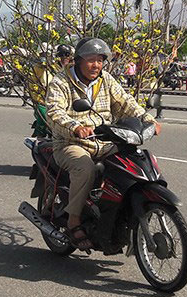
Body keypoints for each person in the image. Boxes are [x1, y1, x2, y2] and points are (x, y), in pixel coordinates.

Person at [45, 37, 161, 250]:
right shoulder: (60, 82)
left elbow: (125, 102)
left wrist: (148, 119)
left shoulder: (105, 79)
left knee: (131, 164)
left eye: (99, 60)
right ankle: (73, 221)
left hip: (105, 140)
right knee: (85, 168)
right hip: (71, 142)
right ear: (78, 60)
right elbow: (54, 112)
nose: (96, 65)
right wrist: (75, 127)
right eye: (90, 60)